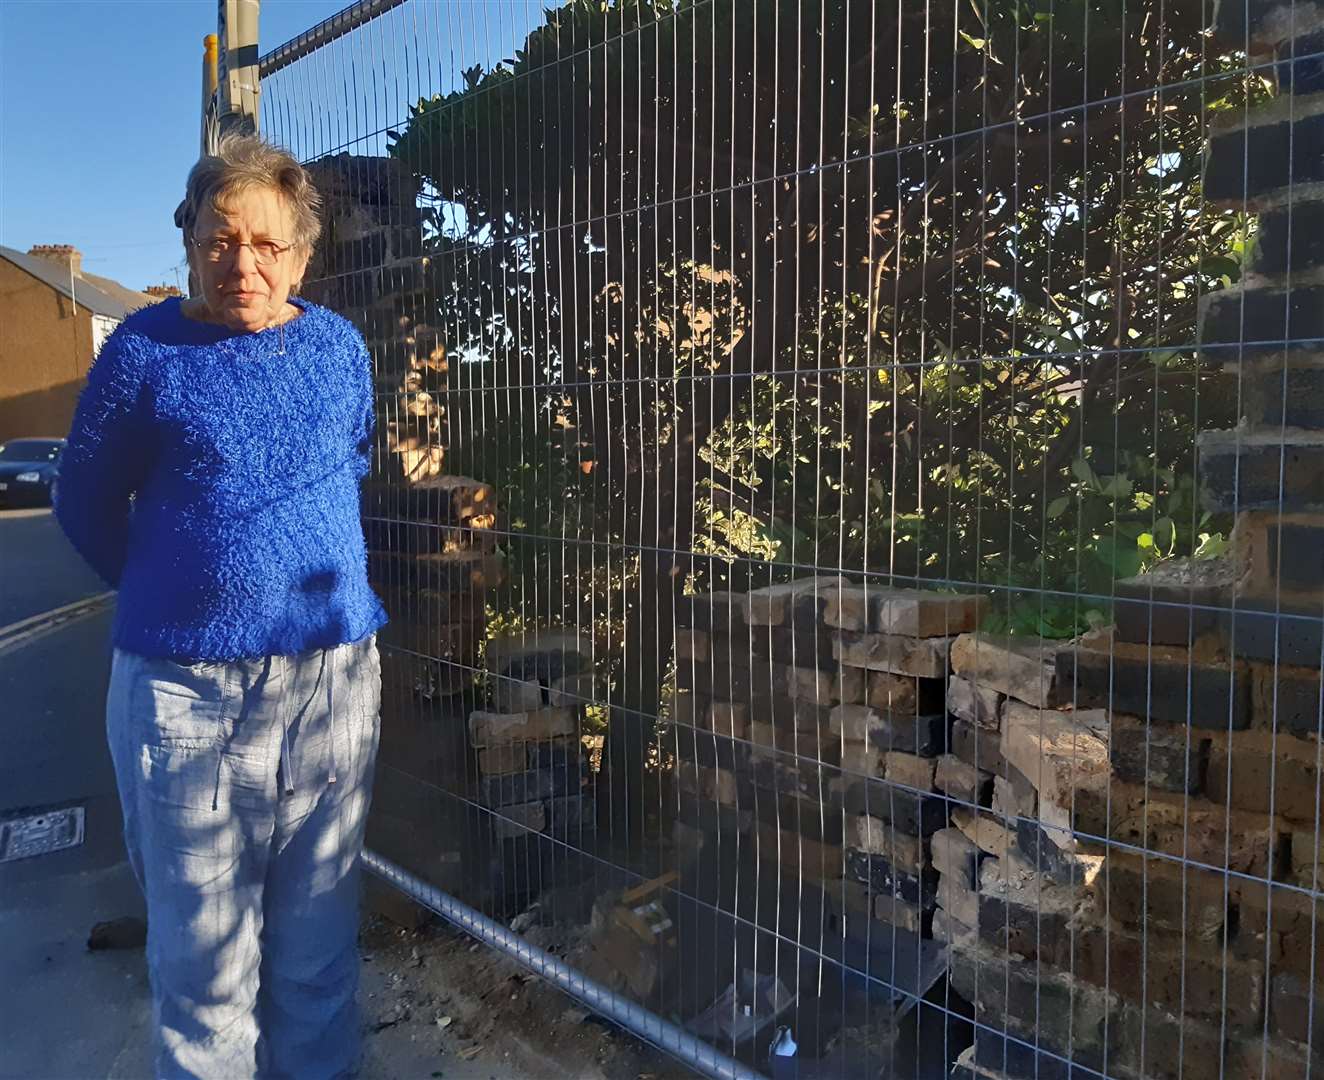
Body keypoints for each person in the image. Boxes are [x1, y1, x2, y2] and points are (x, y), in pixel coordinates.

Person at [55, 132, 388, 1079]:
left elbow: (346, 470)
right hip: (183, 698)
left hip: (330, 687)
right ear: (192, 240)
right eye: (220, 239)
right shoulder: (142, 350)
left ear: (302, 253)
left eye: (268, 244)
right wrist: (174, 594)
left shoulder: (338, 349)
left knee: (318, 966)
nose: (243, 263)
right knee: (205, 982)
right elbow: (82, 501)